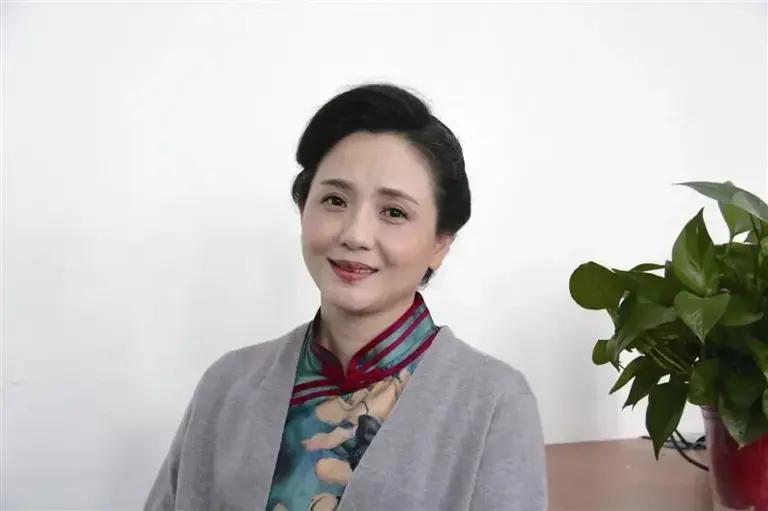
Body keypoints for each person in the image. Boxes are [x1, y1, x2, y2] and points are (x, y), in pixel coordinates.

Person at [144, 83, 547, 511]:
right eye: (335, 200)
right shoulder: (228, 385)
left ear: (440, 243)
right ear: (303, 210)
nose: (356, 235)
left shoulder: (493, 403)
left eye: (394, 212)